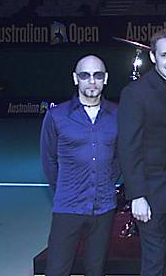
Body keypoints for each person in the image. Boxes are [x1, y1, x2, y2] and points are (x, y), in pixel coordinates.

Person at [117, 28, 166, 276]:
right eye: (164, 55)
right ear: (153, 57)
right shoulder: (134, 93)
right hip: (149, 194)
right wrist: (136, 195)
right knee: (154, 261)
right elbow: (128, 148)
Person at [40, 55, 118, 276]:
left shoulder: (117, 114)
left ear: (106, 79)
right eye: (85, 75)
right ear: (76, 79)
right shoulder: (56, 116)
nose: (92, 81)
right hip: (68, 208)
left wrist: (105, 181)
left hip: (103, 208)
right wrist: (69, 188)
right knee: (57, 269)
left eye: (98, 75)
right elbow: (49, 161)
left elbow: (120, 157)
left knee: (96, 270)